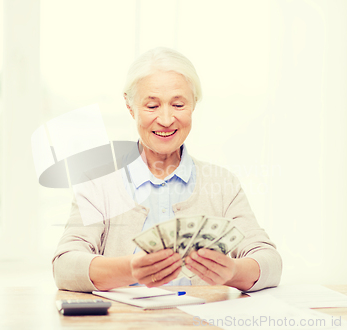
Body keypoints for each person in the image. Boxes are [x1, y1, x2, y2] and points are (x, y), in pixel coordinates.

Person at [53, 47, 282, 292]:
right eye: (152, 106)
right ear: (131, 107)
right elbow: (65, 266)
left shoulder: (223, 185)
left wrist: (234, 271)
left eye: (178, 104)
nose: (165, 119)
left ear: (193, 104)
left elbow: (270, 263)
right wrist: (130, 270)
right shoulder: (98, 183)